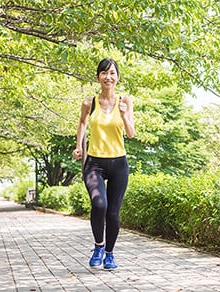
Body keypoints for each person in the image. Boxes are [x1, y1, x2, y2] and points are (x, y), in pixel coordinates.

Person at [72, 58, 135, 270]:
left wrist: (125, 115)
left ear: (117, 77)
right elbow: (82, 123)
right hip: (94, 163)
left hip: (119, 163)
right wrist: (79, 145)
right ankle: (99, 246)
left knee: (113, 212)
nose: (108, 77)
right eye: (104, 73)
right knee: (99, 204)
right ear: (98, 77)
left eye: (112, 73)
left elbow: (131, 133)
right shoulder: (89, 103)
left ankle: (109, 254)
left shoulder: (124, 101)